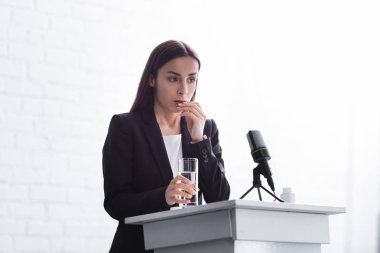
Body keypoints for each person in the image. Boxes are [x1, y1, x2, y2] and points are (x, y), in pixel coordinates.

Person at [102, 40, 230, 253]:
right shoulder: (126, 126)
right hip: (138, 247)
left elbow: (220, 196)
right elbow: (116, 203)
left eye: (191, 80)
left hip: (192, 247)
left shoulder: (206, 128)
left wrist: (200, 140)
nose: (183, 90)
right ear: (152, 79)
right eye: (173, 79)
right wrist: (164, 196)